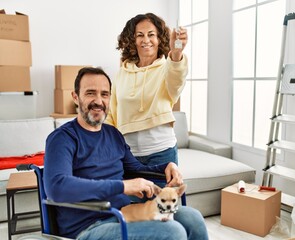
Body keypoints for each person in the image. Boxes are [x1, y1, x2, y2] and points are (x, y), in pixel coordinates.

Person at [43, 67, 208, 240]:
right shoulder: (62, 139)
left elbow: (135, 170)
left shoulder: (113, 134)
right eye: (91, 93)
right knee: (173, 231)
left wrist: (166, 167)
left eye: (105, 94)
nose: (98, 101)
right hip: (88, 228)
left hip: (124, 215)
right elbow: (57, 187)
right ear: (76, 97)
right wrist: (123, 186)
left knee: (193, 219)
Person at [106, 13, 188, 166]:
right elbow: (112, 113)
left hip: (162, 152)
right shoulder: (122, 73)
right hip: (128, 154)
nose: (146, 40)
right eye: (139, 35)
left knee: (163, 191)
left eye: (151, 34)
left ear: (159, 39)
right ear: (133, 40)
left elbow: (176, 81)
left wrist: (176, 54)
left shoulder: (168, 67)